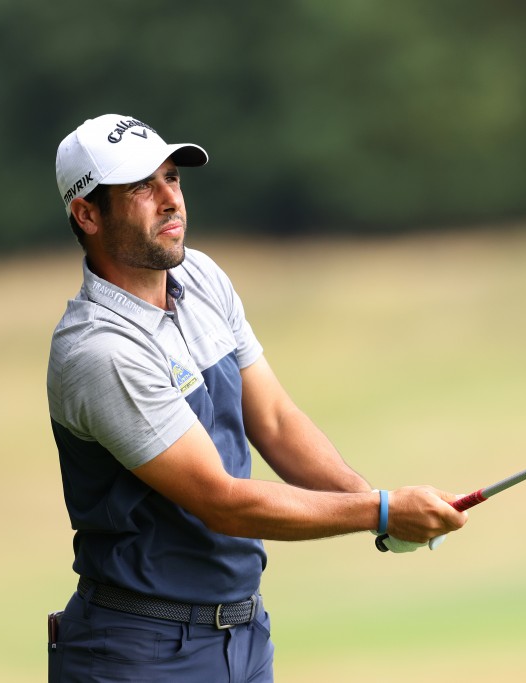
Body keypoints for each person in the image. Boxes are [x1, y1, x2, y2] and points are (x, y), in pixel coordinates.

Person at [47, 114, 468, 682]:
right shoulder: (100, 351)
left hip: (242, 635)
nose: (170, 199)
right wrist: (383, 510)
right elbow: (222, 501)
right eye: (142, 187)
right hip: (138, 652)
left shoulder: (202, 278)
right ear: (88, 214)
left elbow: (272, 418)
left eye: (172, 178)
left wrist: (370, 504)